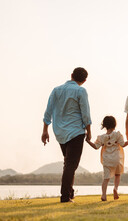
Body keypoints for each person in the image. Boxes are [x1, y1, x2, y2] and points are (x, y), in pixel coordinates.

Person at [41, 67, 92, 203]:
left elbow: (48, 111)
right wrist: (89, 131)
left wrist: (45, 130)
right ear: (84, 80)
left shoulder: (56, 90)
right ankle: (65, 197)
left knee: (69, 163)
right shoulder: (81, 91)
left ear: (71, 75)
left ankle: (70, 192)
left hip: (60, 132)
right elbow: (85, 113)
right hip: (76, 131)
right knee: (70, 165)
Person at [86, 116, 128, 201]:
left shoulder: (102, 137)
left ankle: (104, 195)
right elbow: (123, 144)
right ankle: (115, 189)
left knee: (106, 178)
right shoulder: (117, 135)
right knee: (117, 175)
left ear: (104, 125)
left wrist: (88, 141)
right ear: (114, 124)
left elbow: (96, 147)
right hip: (116, 158)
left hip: (106, 159)